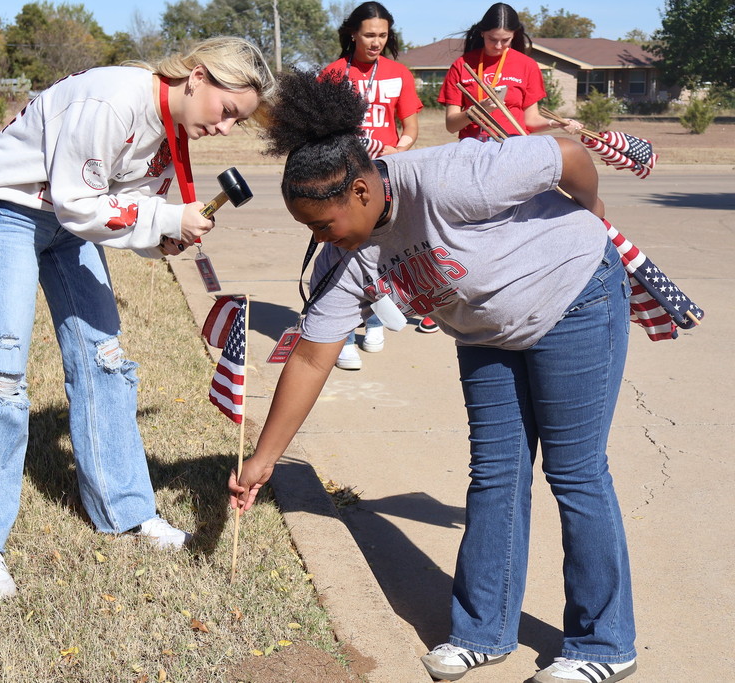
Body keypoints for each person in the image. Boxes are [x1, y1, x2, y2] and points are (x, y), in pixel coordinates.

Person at [229, 70, 637, 683]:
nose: (319, 238)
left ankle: (604, 644)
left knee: (575, 472)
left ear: (363, 192)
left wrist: (592, 215)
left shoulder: (451, 178)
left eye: (322, 223)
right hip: (485, 332)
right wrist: (264, 459)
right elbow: (313, 356)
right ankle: (482, 631)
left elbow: (567, 154)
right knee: (496, 472)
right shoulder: (347, 256)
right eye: (307, 227)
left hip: (575, 298)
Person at [0, 36, 276, 601]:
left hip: (71, 226)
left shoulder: (172, 129)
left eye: (236, 122)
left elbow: (128, 208)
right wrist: (166, 217)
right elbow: (80, 201)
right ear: (196, 77)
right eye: (226, 112)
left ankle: (125, 512)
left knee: (105, 361)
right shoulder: (111, 101)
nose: (224, 128)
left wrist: (164, 237)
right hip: (14, 210)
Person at [320, 1, 436, 359]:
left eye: (382, 35)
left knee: (382, 247)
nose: (376, 42)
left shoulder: (399, 73)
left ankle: (373, 321)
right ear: (353, 33)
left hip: (384, 173)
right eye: (369, 35)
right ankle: (342, 334)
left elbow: (410, 127)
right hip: (342, 174)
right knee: (343, 245)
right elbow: (321, 128)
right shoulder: (333, 73)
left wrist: (399, 147)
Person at [438, 2, 581, 139]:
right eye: (492, 39)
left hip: (513, 144)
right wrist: (478, 110)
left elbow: (531, 120)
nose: (498, 46)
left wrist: (554, 123)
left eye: (505, 40)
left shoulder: (527, 65)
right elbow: (451, 125)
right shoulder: (462, 65)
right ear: (482, 33)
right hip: (473, 144)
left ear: (514, 35)